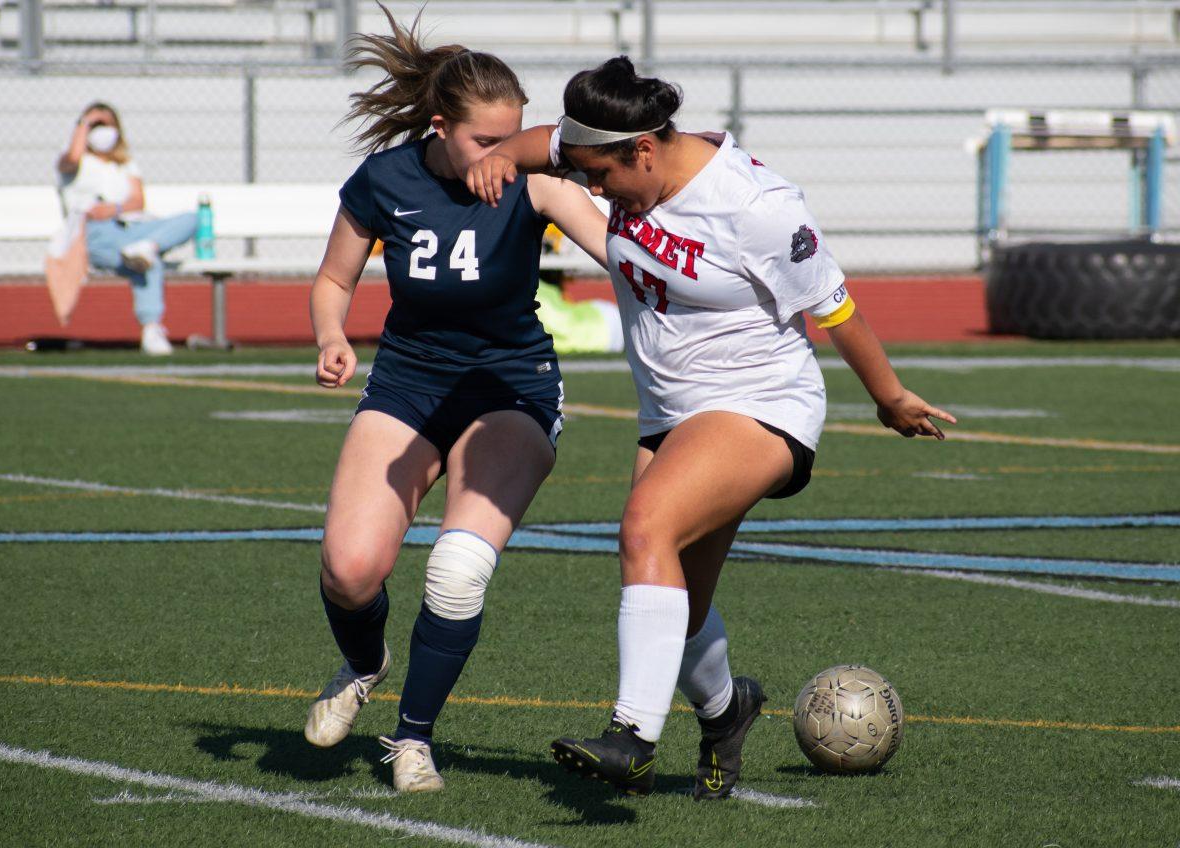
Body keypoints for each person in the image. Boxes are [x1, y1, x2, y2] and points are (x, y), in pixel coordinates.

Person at [467, 57, 957, 800]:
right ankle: (728, 712)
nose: (592, 191)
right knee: (679, 600)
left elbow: (835, 307)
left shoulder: (754, 204)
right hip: (670, 411)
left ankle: (632, 737)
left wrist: (888, 398)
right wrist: (497, 156)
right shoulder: (609, 148)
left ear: (644, 149)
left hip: (761, 403)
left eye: (601, 175)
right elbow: (541, 146)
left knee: (644, 527)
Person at [303, 8, 608, 794]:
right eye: (485, 141)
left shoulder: (537, 180)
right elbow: (335, 278)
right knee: (349, 571)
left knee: (456, 572)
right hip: (409, 386)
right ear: (440, 128)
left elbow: (615, 248)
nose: (502, 155)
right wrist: (331, 334)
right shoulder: (385, 179)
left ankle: (412, 738)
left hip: (510, 392)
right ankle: (364, 664)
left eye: (513, 138)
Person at [56, 102, 197, 355]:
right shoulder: (72, 162)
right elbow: (73, 158)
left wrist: (115, 208)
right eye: (95, 125)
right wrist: (86, 122)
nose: (101, 131)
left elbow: (137, 201)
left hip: (132, 228)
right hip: (93, 234)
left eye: (106, 125)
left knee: (192, 219)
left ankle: (148, 246)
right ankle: (151, 326)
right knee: (145, 262)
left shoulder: (125, 164)